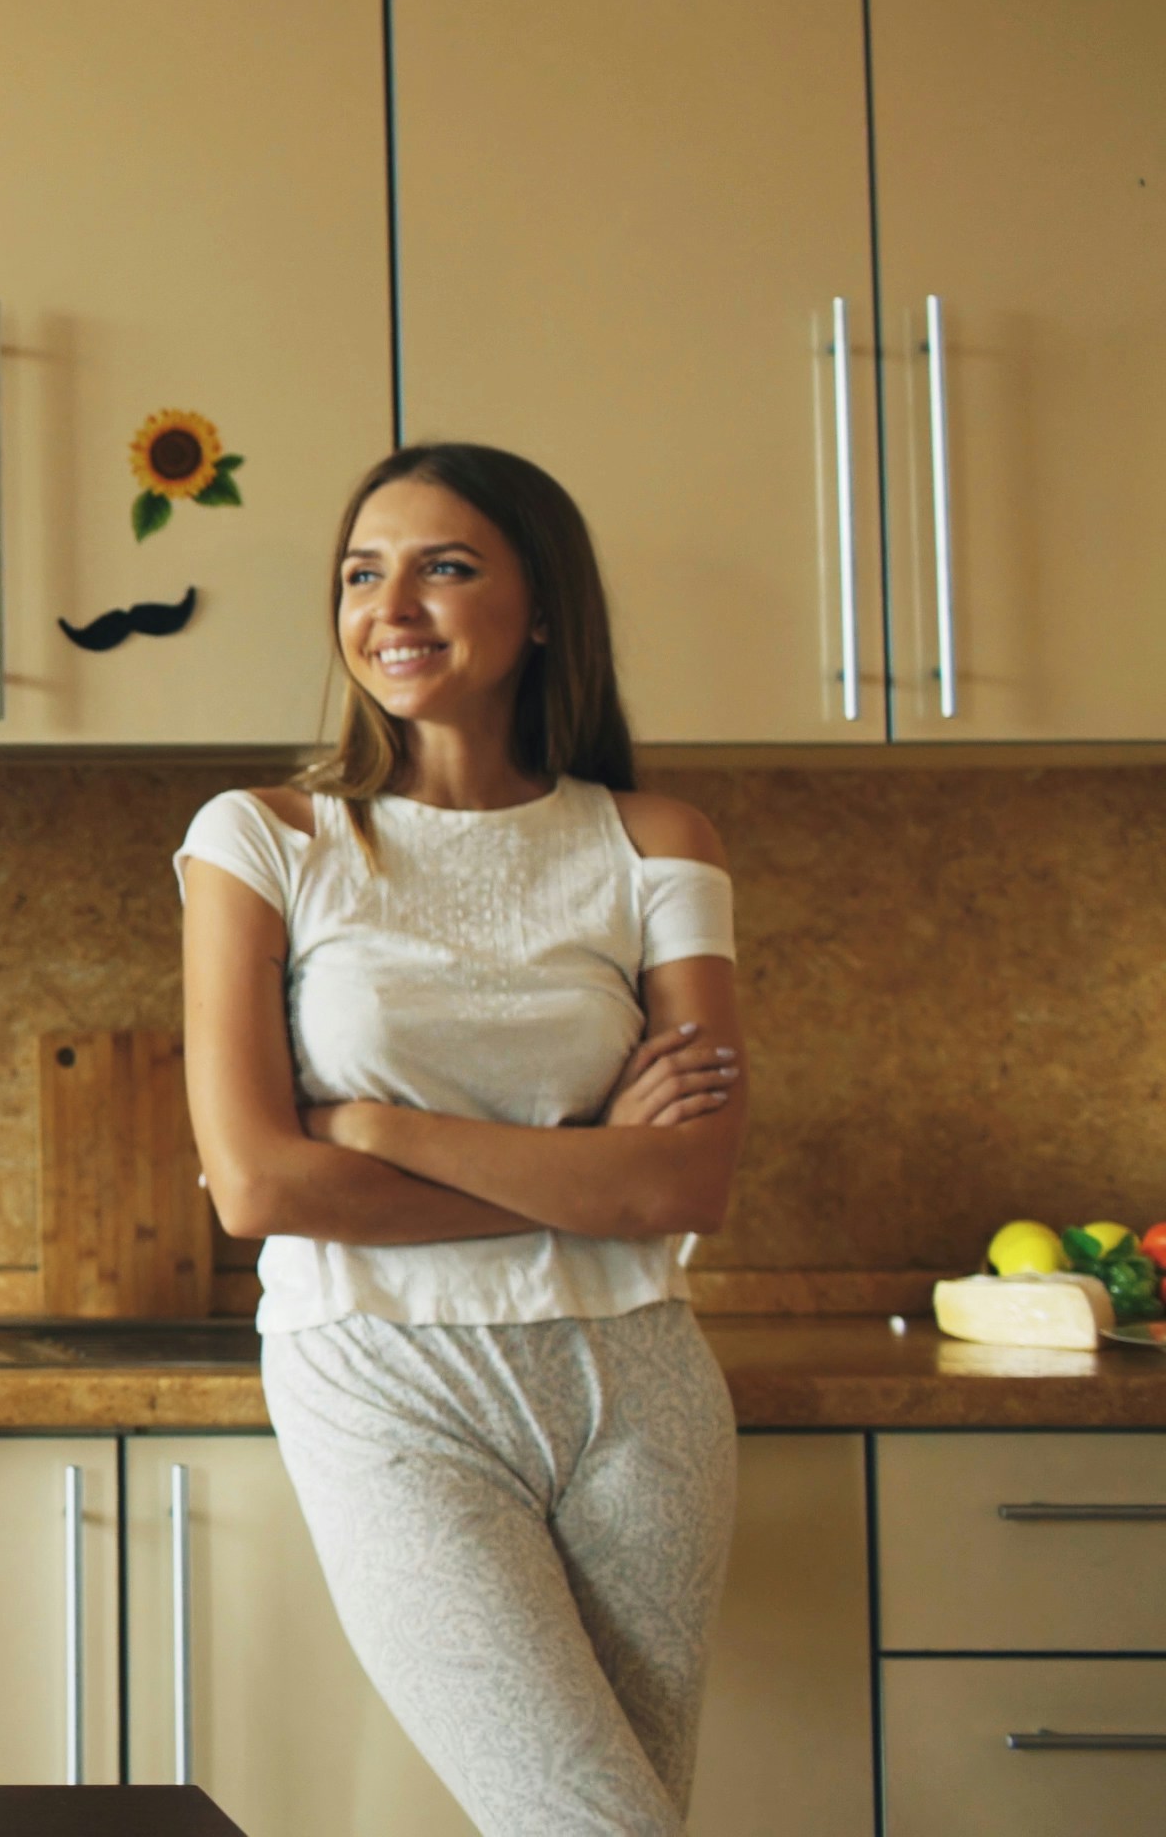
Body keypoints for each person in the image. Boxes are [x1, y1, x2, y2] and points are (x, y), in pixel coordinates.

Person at [175, 443, 745, 1837]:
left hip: (641, 1387)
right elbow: (257, 1186)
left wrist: (376, 1129)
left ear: (542, 608)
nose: (392, 607)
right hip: (384, 1382)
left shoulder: (656, 841)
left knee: (627, 1818)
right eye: (363, 574)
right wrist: (586, 1175)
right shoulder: (264, 840)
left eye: (446, 567)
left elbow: (689, 1180)